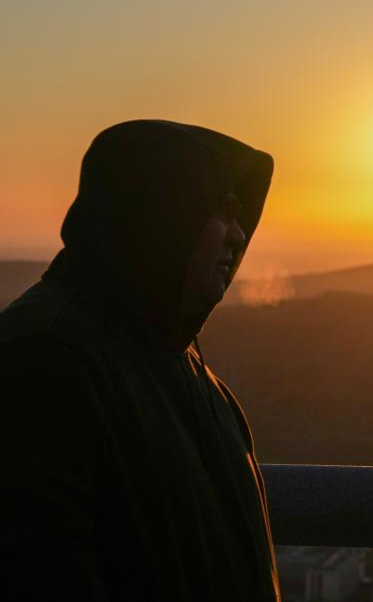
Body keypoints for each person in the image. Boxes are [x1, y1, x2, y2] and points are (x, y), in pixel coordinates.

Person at [0, 120, 280, 600]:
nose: (239, 236)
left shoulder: (185, 365)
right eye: (222, 212)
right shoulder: (43, 355)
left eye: (243, 217)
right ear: (163, 215)